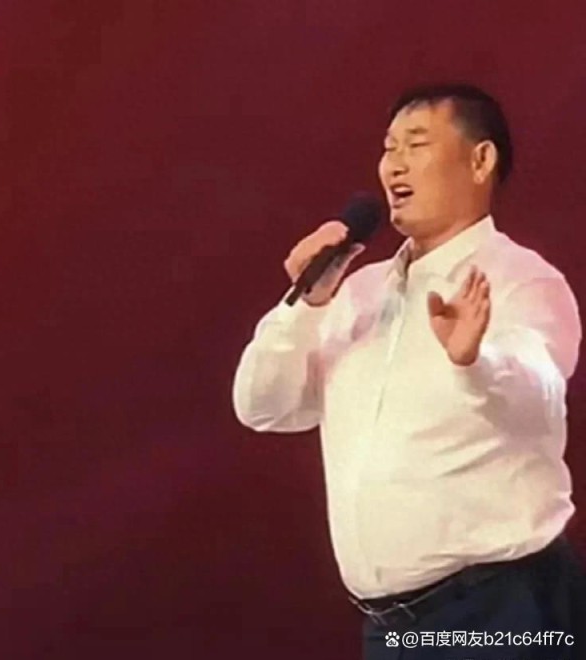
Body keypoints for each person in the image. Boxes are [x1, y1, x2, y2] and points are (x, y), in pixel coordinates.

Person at [232, 83, 586, 659]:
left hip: (500, 609)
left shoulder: (521, 279)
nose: (394, 164)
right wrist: (305, 305)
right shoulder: (358, 293)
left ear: (480, 160)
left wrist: (476, 359)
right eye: (388, 147)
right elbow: (262, 407)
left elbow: (539, 388)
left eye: (416, 144)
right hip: (392, 627)